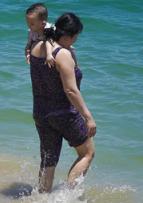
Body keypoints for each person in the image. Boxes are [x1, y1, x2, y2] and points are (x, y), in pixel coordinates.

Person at [30, 12, 96, 193]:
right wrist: (88, 117)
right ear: (67, 35)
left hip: (41, 113)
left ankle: (42, 199)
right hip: (64, 113)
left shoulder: (38, 47)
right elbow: (71, 90)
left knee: (48, 160)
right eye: (75, 37)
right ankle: (66, 199)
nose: (75, 40)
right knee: (87, 153)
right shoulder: (62, 54)